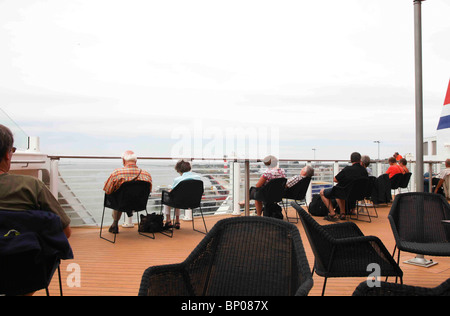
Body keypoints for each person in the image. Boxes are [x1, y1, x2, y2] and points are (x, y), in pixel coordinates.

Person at [0, 124, 72, 238]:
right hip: (23, 254)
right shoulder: (31, 186)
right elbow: (65, 231)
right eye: (12, 150)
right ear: (6, 155)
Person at [103, 150, 152, 234]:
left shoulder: (117, 173)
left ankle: (115, 224)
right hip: (139, 204)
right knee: (125, 197)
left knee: (118, 198)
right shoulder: (146, 174)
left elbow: (107, 190)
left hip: (121, 204)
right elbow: (149, 191)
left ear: (123, 160)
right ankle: (129, 209)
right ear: (136, 161)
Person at [320, 152, 368, 221]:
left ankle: (333, 214)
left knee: (322, 192)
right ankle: (342, 214)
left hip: (347, 194)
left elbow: (335, 179)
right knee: (340, 190)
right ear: (360, 160)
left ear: (351, 160)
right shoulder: (364, 170)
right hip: (359, 195)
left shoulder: (348, 169)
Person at [162, 159, 201, 229]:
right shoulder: (198, 178)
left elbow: (172, 191)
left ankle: (168, 220)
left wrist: (169, 191)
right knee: (178, 196)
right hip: (194, 202)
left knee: (169, 196)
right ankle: (177, 221)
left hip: (180, 202)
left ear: (178, 170)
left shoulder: (178, 179)